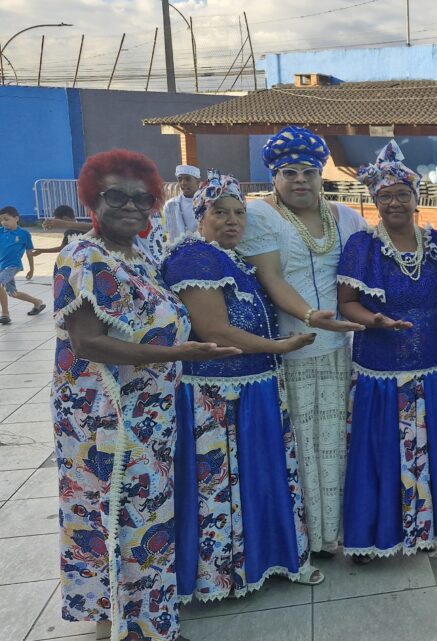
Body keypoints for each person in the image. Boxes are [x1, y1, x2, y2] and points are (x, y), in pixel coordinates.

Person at [52, 149, 238, 641]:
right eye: (117, 196)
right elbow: (87, 342)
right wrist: (179, 354)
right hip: (105, 414)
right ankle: (126, 625)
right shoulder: (83, 254)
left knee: (147, 514)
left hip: (150, 411)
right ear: (93, 198)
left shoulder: (141, 254)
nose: (132, 206)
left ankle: (146, 617)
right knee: (114, 513)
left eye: (143, 198)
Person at [162, 170, 322, 602]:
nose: (233, 221)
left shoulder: (230, 259)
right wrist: (278, 345)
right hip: (219, 397)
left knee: (255, 478)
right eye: (220, 211)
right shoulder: (193, 257)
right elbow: (215, 329)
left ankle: (260, 560)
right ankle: (220, 575)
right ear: (201, 213)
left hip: (253, 386)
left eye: (239, 213)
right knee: (223, 482)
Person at [238, 126, 368, 557]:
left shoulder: (345, 216)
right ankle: (302, 537)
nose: (300, 181)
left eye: (309, 172)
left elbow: (368, 268)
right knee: (299, 445)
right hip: (288, 350)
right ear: (274, 177)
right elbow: (271, 277)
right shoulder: (261, 217)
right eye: (289, 172)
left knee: (335, 442)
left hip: (337, 351)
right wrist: (311, 316)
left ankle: (335, 532)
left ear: (321, 175)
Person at [338, 141, 437, 561]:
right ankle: (381, 533)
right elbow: (346, 303)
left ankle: (427, 530)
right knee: (383, 455)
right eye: (385, 195)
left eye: (401, 194)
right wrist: (375, 321)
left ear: (417, 198)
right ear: (374, 200)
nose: (393, 202)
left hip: (433, 369)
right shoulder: (363, 248)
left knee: (431, 451)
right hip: (381, 374)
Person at [0, 206, 46, 323]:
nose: (3, 222)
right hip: (2, 266)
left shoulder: (24, 234)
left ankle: (5, 314)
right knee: (13, 293)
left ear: (16, 218)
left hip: (13, 266)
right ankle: (37, 303)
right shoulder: (1, 231)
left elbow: (29, 253)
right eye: (1, 220)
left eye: (6, 219)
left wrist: (32, 269)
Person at [162, 164, 201, 244]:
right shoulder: (170, 205)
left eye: (187, 179)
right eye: (180, 179)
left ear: (197, 182)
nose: (183, 183)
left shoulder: (206, 204)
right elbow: (167, 233)